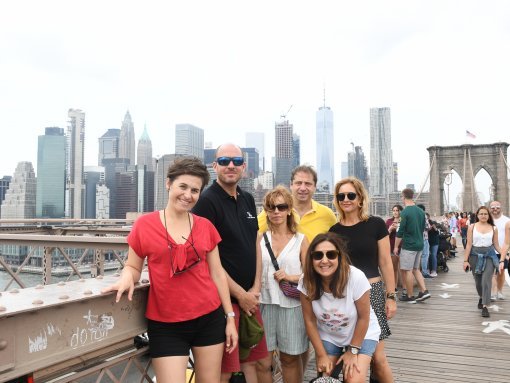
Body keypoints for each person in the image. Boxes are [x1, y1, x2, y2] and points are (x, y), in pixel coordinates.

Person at [101, 157, 237, 383]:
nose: (188, 195)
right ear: (168, 184)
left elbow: (217, 273)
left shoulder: (206, 226)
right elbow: (134, 265)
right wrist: (127, 277)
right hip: (166, 324)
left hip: (209, 318)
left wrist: (230, 318)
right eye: (182, 186)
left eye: (195, 190)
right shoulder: (145, 225)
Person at [192, 143, 269, 383]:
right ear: (214, 166)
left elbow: (254, 243)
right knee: (225, 370)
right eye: (224, 161)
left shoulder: (247, 199)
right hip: (223, 303)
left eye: (236, 161)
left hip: (250, 299)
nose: (231, 166)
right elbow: (206, 257)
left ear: (245, 167)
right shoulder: (206, 201)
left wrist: (255, 288)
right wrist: (239, 294)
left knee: (253, 362)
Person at [328, 177, 396, 383]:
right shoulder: (334, 231)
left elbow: (385, 262)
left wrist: (391, 296)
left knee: (378, 358)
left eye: (351, 195)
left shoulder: (375, 224)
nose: (346, 199)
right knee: (353, 350)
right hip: (345, 296)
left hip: (373, 292)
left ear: (360, 198)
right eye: (341, 196)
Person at [299, 232, 381, 383]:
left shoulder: (355, 277)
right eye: (318, 255)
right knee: (325, 377)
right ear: (311, 258)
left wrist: (353, 350)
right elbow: (309, 320)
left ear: (339, 256)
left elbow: (364, 318)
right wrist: (321, 354)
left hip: (361, 332)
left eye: (331, 254)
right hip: (330, 335)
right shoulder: (306, 281)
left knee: (353, 378)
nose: (324, 260)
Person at [256, 186, 309, 383]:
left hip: (292, 306)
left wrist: (292, 277)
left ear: (289, 209)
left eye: (281, 206)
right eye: (271, 207)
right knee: (263, 361)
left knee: (290, 359)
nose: (276, 211)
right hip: (264, 304)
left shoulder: (301, 240)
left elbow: (315, 275)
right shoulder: (260, 238)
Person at [258, 165, 337, 243]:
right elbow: (253, 234)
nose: (303, 188)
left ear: (315, 187)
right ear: (291, 185)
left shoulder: (327, 215)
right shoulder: (275, 210)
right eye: (298, 183)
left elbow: (336, 244)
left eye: (308, 184)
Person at [463, 206, 506, 318]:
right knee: (478, 281)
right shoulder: (471, 227)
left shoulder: (493, 228)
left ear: (488, 216)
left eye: (485, 214)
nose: (483, 216)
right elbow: (468, 245)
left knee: (486, 280)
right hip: (474, 256)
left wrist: (504, 255)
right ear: (477, 215)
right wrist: (465, 260)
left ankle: (485, 306)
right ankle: (482, 297)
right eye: (481, 214)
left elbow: (496, 245)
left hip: (489, 256)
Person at [394, 188, 431, 304]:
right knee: (416, 269)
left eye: (401, 197)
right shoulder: (421, 212)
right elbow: (424, 227)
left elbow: (400, 232)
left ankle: (409, 295)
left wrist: (396, 246)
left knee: (407, 270)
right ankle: (424, 290)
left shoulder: (404, 212)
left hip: (409, 245)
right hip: (419, 244)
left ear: (403, 197)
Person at [489, 201, 510, 300]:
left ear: (500, 208)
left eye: (497, 207)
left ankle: (500, 291)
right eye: (493, 207)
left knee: (501, 272)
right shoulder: (488, 220)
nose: (495, 209)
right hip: (490, 250)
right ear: (490, 209)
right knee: (492, 273)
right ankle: (493, 292)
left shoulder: (507, 220)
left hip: (503, 251)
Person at [385, 204, 403, 292]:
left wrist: (399, 229)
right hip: (392, 247)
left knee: (404, 269)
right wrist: (390, 229)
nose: (395, 212)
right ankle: (394, 287)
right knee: (394, 268)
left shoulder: (403, 220)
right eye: (394, 210)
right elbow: (384, 236)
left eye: (397, 210)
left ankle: (405, 288)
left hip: (403, 247)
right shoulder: (388, 221)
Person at [417, 204, 431, 278]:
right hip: (424, 238)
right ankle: (424, 272)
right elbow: (427, 226)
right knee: (425, 255)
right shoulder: (423, 215)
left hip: (415, 238)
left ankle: (417, 272)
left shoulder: (413, 215)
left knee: (417, 256)